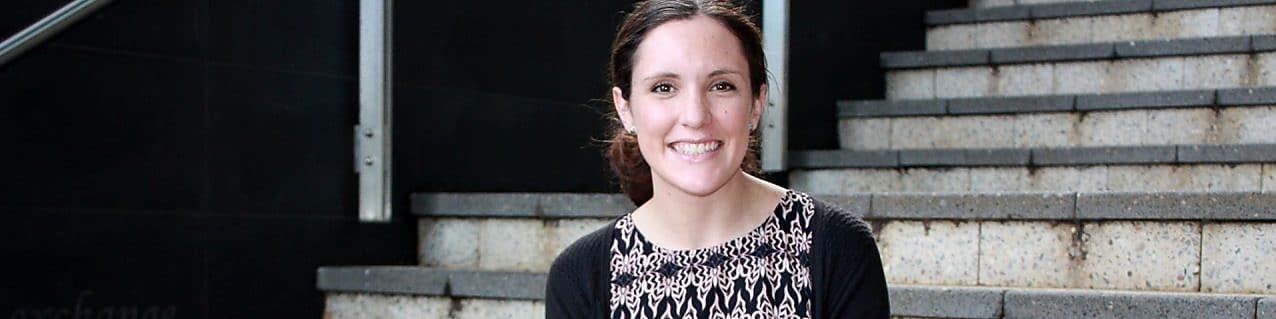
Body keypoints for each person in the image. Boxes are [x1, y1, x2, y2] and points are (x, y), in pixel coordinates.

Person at [545, 0, 889, 317]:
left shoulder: (834, 246)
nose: (695, 116)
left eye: (721, 86)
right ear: (625, 107)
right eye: (664, 87)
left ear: (756, 104)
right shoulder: (582, 276)